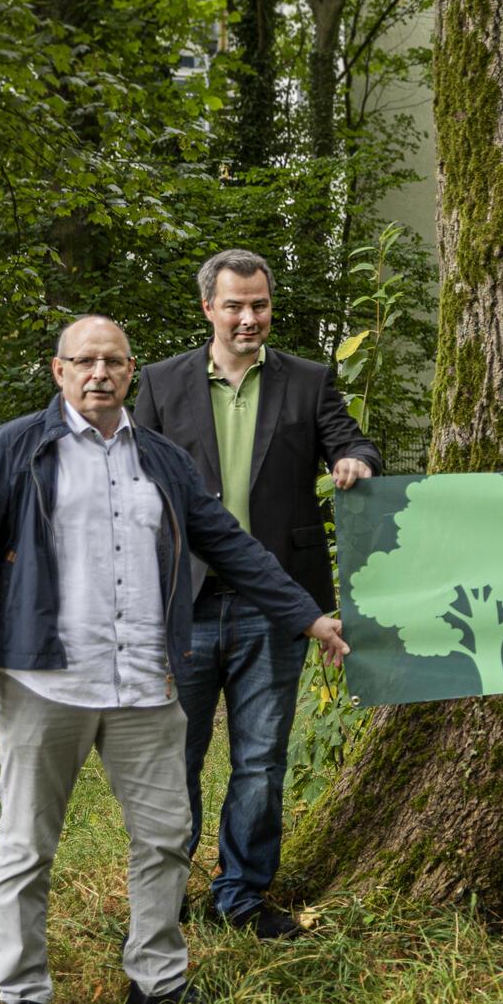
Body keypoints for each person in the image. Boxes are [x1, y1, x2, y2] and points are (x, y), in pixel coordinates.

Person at [0, 316, 350, 1004]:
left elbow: (230, 544)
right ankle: (22, 995)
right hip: (44, 681)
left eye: (115, 362)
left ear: (133, 373)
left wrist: (306, 614)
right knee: (27, 845)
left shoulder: (159, 458)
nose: (100, 374)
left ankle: (156, 980)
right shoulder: (12, 449)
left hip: (144, 682)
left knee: (163, 836)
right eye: (85, 361)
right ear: (59, 370)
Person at [132, 249, 381, 939]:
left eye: (261, 304)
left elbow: (349, 438)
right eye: (235, 305)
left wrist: (352, 459)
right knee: (169, 757)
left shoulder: (307, 380)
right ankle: (161, 896)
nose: (249, 318)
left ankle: (238, 897)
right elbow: (129, 482)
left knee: (261, 759)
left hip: (280, 605)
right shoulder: (159, 383)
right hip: (182, 602)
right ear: (208, 307)